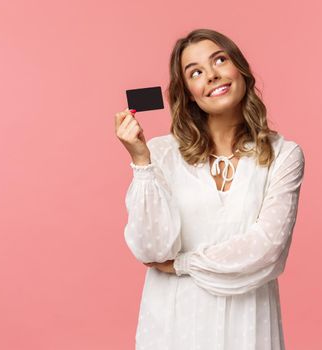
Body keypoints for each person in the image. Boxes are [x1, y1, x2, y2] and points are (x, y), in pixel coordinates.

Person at [115, 28, 305, 350]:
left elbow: (268, 249)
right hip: (174, 325)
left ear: (241, 69)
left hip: (247, 327)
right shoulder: (161, 154)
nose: (213, 76)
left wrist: (182, 264)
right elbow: (152, 250)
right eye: (196, 72)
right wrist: (141, 161)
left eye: (220, 60)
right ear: (188, 92)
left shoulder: (283, 155)